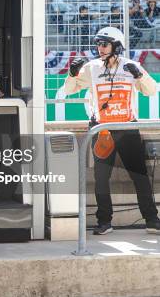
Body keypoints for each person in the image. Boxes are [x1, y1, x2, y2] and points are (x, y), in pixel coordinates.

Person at [64, 27, 160, 235]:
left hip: (128, 128)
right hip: (102, 130)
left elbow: (152, 90)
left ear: (116, 45)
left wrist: (140, 76)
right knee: (101, 178)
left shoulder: (132, 66)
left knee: (140, 176)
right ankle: (104, 222)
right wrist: (72, 74)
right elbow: (69, 90)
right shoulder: (91, 68)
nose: (100, 48)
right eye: (98, 44)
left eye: (104, 44)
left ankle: (152, 220)